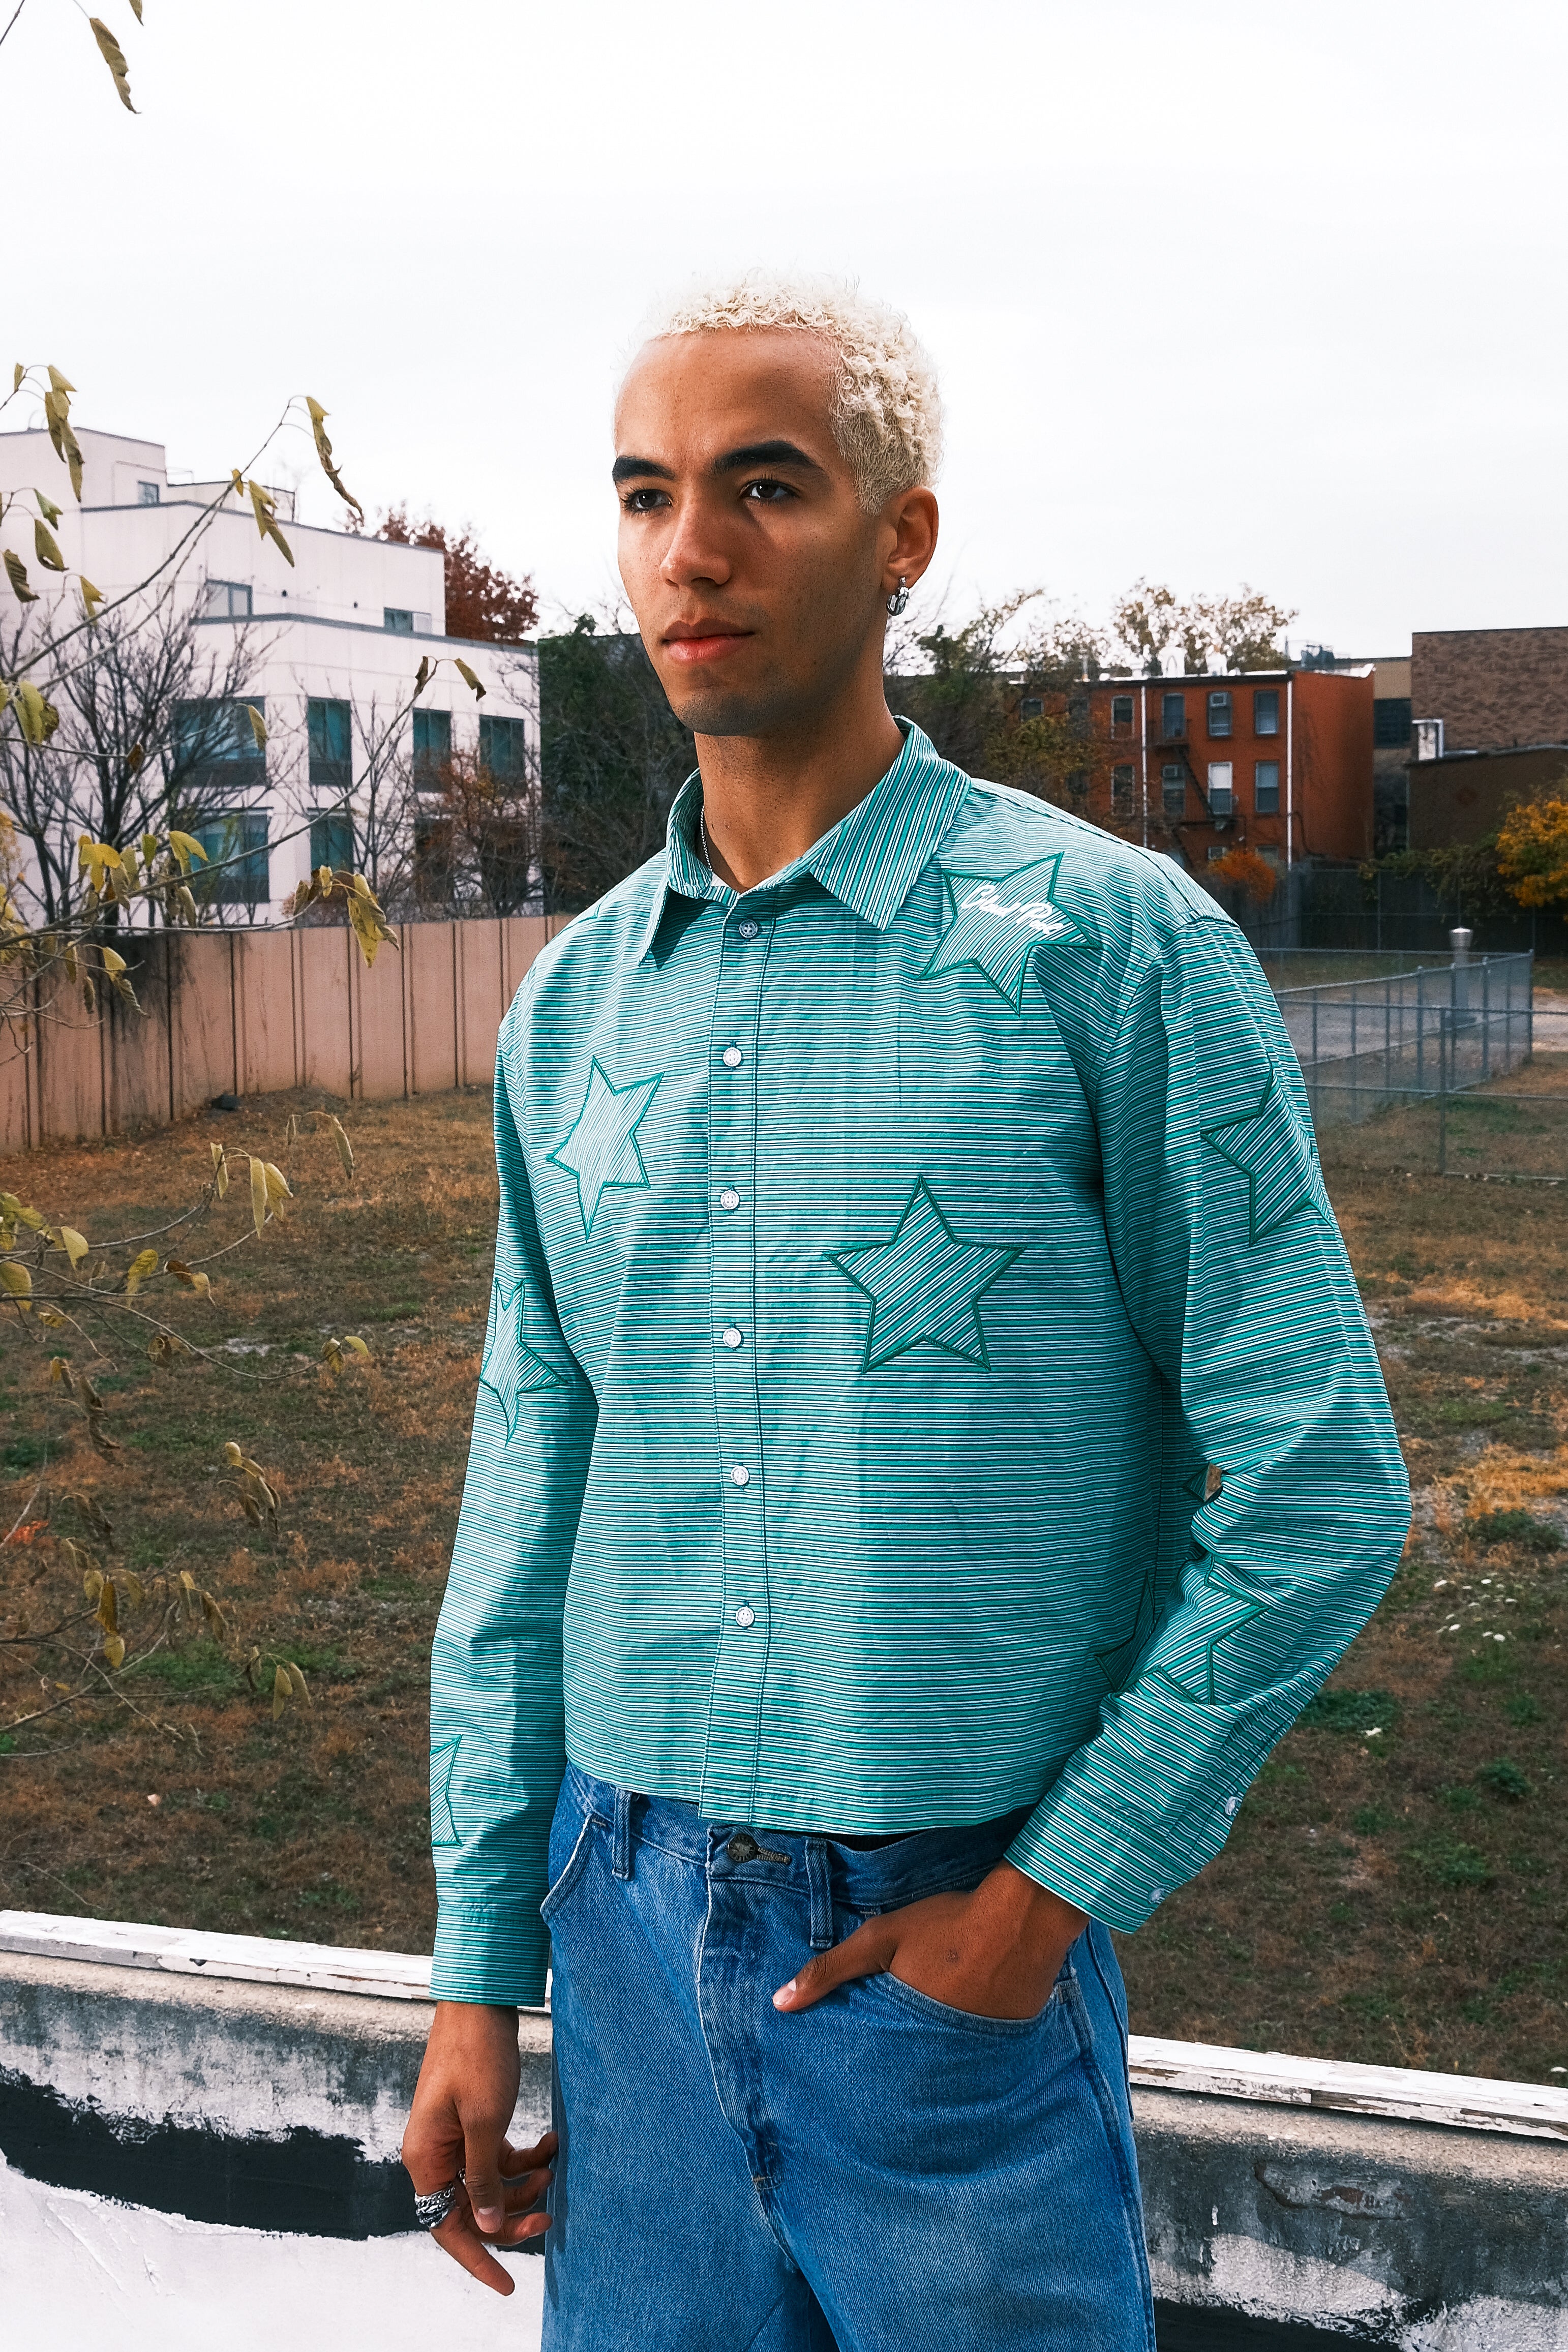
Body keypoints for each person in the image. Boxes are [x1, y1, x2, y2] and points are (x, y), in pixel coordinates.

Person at [402, 275, 1409, 2350]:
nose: (694, 548)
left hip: (950, 1945)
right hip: (620, 1931)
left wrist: (1047, 1901)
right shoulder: (573, 1004)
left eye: (766, 485)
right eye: (648, 493)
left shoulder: (1108, 953)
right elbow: (525, 1504)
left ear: (902, 536)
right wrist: (475, 1963)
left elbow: (1320, 1480)